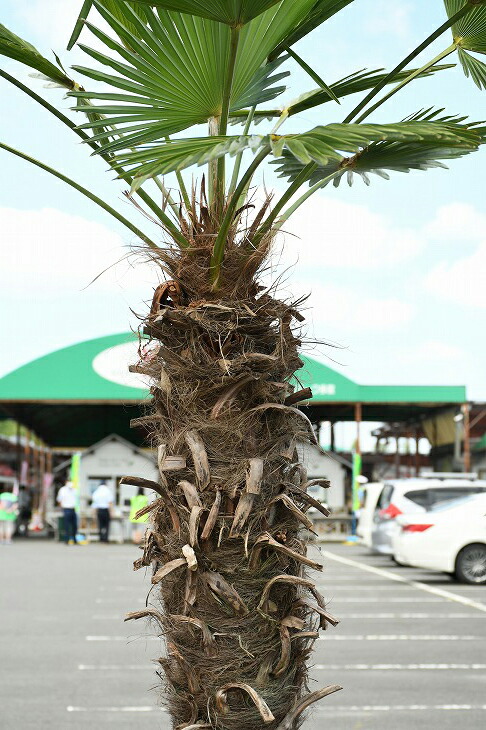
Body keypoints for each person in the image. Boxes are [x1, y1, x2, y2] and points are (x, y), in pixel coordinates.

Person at [57, 480, 78, 544]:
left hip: (73, 509)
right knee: (67, 525)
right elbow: (59, 500)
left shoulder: (74, 490)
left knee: (74, 525)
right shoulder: (62, 490)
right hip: (66, 509)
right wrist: (61, 508)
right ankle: (67, 540)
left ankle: (74, 539)